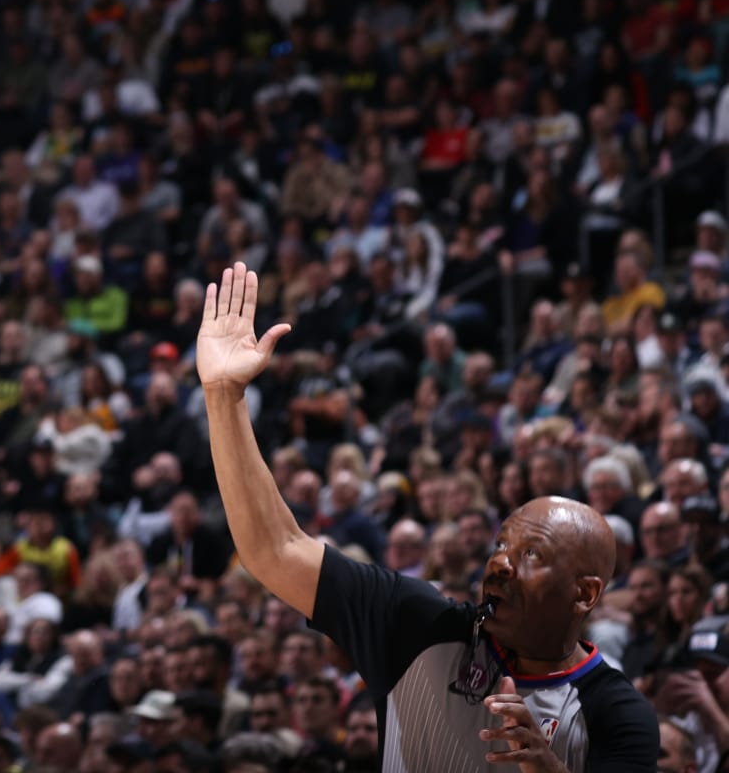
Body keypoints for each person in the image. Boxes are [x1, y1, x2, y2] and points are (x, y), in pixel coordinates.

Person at [197, 262, 657, 771]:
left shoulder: (617, 714)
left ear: (585, 594)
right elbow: (275, 549)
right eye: (501, 545)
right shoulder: (416, 625)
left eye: (531, 555)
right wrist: (223, 398)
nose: (500, 564)